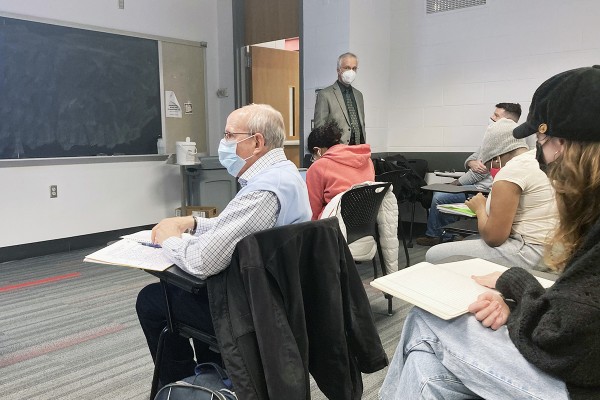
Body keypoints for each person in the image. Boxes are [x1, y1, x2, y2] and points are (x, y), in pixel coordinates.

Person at [380, 66, 600, 400]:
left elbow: (562, 335)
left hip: (580, 383)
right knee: (427, 373)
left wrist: (515, 287)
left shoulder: (513, 172)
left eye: (542, 139)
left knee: (425, 320)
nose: (542, 153)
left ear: (566, 144)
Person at [136, 104, 311, 386]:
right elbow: (232, 229)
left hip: (250, 312)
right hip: (266, 296)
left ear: (257, 142)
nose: (224, 143)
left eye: (230, 135)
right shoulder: (284, 175)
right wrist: (191, 224)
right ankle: (213, 373)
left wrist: (169, 239)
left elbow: (204, 262)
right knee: (186, 292)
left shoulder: (264, 192)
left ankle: (180, 386)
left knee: (152, 299)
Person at [425, 133, 557, 269]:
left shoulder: (511, 170)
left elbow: (493, 238)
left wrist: (480, 208)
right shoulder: (537, 160)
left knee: (433, 254)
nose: (490, 170)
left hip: (530, 251)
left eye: (489, 165)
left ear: (496, 158)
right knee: (469, 241)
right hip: (552, 246)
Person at [416, 103, 523, 246]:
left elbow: (478, 174)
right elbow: (470, 160)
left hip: (482, 191)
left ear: (508, 121)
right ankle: (447, 234)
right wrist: (471, 163)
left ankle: (441, 235)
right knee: (439, 194)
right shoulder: (491, 138)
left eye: (496, 115)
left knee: (440, 197)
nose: (491, 117)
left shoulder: (507, 142)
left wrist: (453, 185)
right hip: (473, 187)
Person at [306, 120, 374, 220]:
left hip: (334, 228)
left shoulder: (318, 167)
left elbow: (313, 212)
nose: (314, 160)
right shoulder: (366, 159)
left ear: (317, 150)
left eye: (313, 156)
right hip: (366, 222)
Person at [314, 52, 366, 145]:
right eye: (347, 68)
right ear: (338, 70)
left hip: (358, 149)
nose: (351, 71)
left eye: (354, 68)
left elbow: (362, 124)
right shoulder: (325, 94)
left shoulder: (359, 95)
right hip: (337, 150)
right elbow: (319, 129)